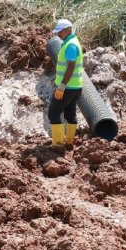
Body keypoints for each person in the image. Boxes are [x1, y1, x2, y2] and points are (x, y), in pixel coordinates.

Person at [48, 19, 85, 151]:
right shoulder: (72, 42)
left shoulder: (70, 46)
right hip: (76, 87)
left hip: (67, 88)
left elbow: (70, 67)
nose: (58, 35)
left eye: (60, 32)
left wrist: (62, 85)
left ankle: (58, 144)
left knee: (53, 112)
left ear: (67, 30)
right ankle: (69, 142)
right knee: (70, 114)